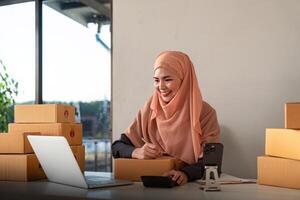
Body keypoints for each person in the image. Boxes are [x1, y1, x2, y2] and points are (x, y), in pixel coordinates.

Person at [112, 51, 220, 186]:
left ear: (184, 80)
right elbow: (117, 147)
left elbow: (212, 160)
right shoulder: (149, 109)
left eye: (168, 79)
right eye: (156, 80)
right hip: (150, 186)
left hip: (191, 188)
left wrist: (185, 174)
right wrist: (137, 152)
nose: (161, 87)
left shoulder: (204, 113)